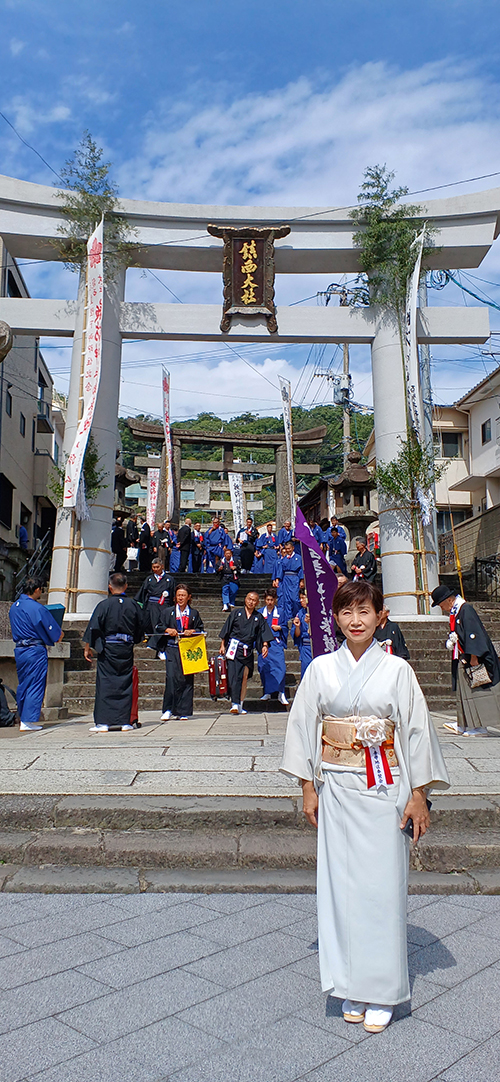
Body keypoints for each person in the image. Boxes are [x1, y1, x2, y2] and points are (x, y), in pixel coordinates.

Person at [281, 580, 449, 1033]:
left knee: (382, 888)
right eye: (347, 612)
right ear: (335, 618)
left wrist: (419, 796)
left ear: (380, 616)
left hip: (386, 790)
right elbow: (303, 726)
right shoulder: (320, 668)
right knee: (340, 889)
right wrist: (307, 787)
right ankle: (350, 985)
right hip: (336, 788)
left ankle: (383, 990)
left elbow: (415, 732)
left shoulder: (398, 672)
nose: (356, 621)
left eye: (364, 611)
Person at [431, 584, 500, 736]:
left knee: (478, 692)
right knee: (464, 692)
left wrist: (474, 657)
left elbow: (473, 634)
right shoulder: (457, 611)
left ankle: (481, 726)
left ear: (449, 600)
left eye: (441, 604)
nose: (442, 608)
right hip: (464, 657)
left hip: (475, 658)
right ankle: (464, 723)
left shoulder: (465, 610)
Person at [83, 573, 144, 733]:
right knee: (125, 683)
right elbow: (140, 627)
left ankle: (103, 722)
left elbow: (93, 627)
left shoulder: (103, 605)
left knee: (106, 684)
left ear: (110, 587)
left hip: (108, 648)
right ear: (126, 586)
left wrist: (88, 647)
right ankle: (125, 722)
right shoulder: (133, 605)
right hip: (125, 648)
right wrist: (133, 640)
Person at [9, 576, 63, 732]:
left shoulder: (15, 606)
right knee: (35, 683)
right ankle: (28, 719)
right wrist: (58, 635)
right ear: (37, 589)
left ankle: (22, 716)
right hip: (34, 649)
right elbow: (52, 630)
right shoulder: (36, 608)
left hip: (20, 649)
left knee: (24, 683)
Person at [150, 583, 204, 721]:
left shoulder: (193, 613)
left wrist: (192, 631)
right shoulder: (168, 612)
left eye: (183, 595)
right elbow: (159, 626)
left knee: (187, 679)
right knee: (171, 678)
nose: (180, 598)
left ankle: (183, 711)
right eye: (178, 595)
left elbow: (200, 629)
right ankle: (168, 709)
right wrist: (168, 630)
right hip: (172, 647)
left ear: (189, 597)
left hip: (188, 649)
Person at [220, 590, 273, 714]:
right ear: (245, 599)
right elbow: (226, 629)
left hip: (247, 650)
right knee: (234, 676)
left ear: (257, 602)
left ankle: (241, 703)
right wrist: (223, 645)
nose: (251, 602)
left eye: (254, 600)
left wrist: (265, 645)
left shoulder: (258, 617)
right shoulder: (236, 613)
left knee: (244, 676)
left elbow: (263, 631)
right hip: (234, 648)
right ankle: (234, 703)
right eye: (249, 599)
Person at [258, 588, 288, 705]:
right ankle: (267, 692)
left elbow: (285, 627)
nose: (270, 602)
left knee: (280, 667)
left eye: (272, 599)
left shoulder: (280, 612)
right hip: (263, 644)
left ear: (275, 600)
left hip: (276, 643)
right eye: (268, 600)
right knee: (264, 667)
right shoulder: (260, 613)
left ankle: (281, 692)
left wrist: (280, 628)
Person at [134, 557, 174, 634]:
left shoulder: (169, 579)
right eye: (154, 567)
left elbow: (172, 593)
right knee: (146, 624)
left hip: (164, 605)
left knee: (161, 623)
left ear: (162, 566)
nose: (155, 569)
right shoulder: (149, 579)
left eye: (157, 567)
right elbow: (142, 593)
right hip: (150, 605)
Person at [274, 540, 303, 623]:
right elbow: (280, 571)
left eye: (289, 548)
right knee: (286, 600)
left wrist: (301, 580)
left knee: (295, 599)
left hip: (295, 579)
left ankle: (297, 615)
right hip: (286, 579)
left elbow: (301, 570)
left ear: (293, 548)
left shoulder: (298, 557)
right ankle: (288, 617)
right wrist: (277, 580)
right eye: (286, 549)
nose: (287, 550)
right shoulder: (284, 559)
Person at [293, 589, 313, 678]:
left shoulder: (318, 611)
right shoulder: (300, 613)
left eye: (303, 598)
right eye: (300, 598)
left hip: (316, 645)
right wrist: (297, 626)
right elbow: (297, 635)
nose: (301, 600)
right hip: (305, 646)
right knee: (306, 673)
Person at [218, 545, 240, 611]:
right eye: (226, 553)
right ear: (224, 554)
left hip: (233, 578)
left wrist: (235, 567)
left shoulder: (235, 561)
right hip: (224, 578)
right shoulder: (221, 561)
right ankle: (225, 604)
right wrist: (219, 569)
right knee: (225, 590)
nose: (228, 555)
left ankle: (231, 601)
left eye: (229, 553)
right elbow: (217, 570)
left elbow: (240, 568)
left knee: (234, 590)